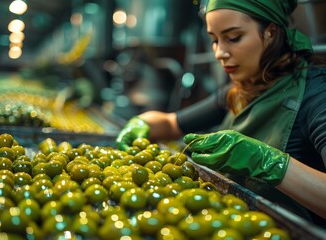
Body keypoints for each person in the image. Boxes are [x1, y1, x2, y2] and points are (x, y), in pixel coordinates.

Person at [115, 0, 326, 226]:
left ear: (270, 33)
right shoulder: (240, 90)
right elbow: (169, 123)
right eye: (214, 40)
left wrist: (268, 162)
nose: (219, 53)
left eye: (233, 38)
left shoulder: (316, 93)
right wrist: (141, 123)